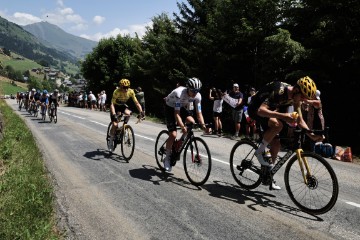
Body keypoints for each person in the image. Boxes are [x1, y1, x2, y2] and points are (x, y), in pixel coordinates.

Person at [247, 76, 324, 190]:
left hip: (269, 110)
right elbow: (261, 111)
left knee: (277, 144)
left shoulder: (295, 97)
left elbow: (300, 119)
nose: (303, 100)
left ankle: (268, 174)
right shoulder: (279, 91)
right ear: (296, 90)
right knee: (278, 125)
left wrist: (310, 134)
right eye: (302, 96)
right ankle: (259, 152)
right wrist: (284, 116)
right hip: (256, 108)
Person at [163, 77, 211, 172]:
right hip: (169, 107)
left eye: (197, 91)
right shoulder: (179, 94)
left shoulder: (198, 96)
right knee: (173, 134)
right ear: (188, 88)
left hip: (180, 107)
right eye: (193, 91)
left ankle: (179, 143)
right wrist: (182, 126)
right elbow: (176, 114)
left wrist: (204, 127)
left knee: (192, 121)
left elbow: (199, 113)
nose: (195, 93)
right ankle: (167, 158)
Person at [108, 79, 144, 152]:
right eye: (124, 87)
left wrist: (141, 112)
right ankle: (111, 140)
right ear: (121, 87)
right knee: (115, 124)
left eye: (128, 87)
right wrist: (114, 114)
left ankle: (124, 127)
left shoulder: (131, 91)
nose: (126, 89)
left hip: (122, 106)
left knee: (129, 113)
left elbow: (137, 103)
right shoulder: (116, 92)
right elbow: (112, 104)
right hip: (115, 106)